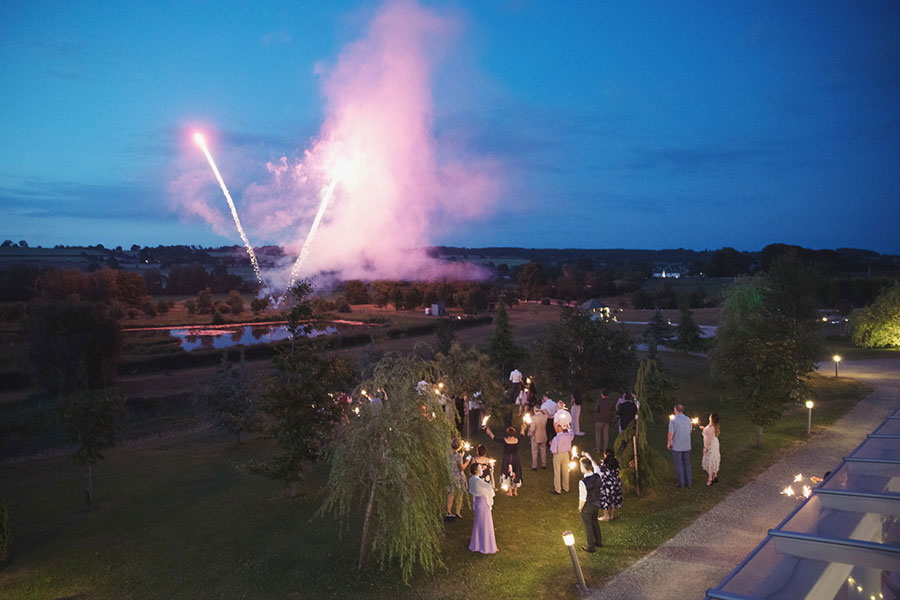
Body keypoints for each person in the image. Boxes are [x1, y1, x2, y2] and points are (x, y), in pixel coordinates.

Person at [486, 424, 526, 496]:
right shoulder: (517, 440)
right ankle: (515, 491)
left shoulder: (505, 440)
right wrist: (523, 428)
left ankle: (510, 492)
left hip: (507, 459)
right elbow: (522, 435)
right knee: (516, 472)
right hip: (515, 458)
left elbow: (495, 438)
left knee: (508, 473)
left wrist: (489, 432)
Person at [468, 463, 497, 554]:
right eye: (480, 468)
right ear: (476, 470)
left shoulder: (472, 479)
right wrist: (492, 473)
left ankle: (477, 544)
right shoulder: (477, 480)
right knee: (485, 524)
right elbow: (490, 487)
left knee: (478, 524)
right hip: (483, 504)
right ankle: (486, 546)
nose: (482, 470)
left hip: (477, 503)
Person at [577, 453, 603, 552]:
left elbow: (582, 498)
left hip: (588, 506)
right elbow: (596, 465)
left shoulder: (583, 482)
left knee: (588, 525)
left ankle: (591, 546)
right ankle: (599, 541)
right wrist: (589, 457)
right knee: (595, 522)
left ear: (583, 467)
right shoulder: (597, 475)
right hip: (597, 504)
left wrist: (580, 508)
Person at [667, 404, 692, 488]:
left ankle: (681, 483)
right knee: (687, 463)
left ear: (675, 409)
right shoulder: (688, 419)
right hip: (687, 445)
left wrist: (669, 443)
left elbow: (671, 433)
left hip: (677, 446)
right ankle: (689, 482)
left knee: (679, 464)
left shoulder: (673, 420)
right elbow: (690, 430)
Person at [447, 438, 471, 519]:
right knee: (460, 494)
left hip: (451, 476)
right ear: (458, 447)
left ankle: (449, 511)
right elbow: (462, 468)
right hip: (458, 477)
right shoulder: (458, 456)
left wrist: (461, 456)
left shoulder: (448, 454)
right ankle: (457, 512)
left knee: (451, 494)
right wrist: (467, 461)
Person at [550, 422, 575, 494]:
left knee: (557, 472)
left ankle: (558, 489)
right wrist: (568, 427)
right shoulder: (568, 435)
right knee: (565, 471)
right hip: (566, 455)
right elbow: (572, 433)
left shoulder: (556, 438)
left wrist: (551, 445)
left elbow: (553, 450)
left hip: (558, 455)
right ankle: (566, 488)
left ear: (557, 429)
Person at [598, 449, 623, 521]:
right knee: (613, 499)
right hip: (615, 483)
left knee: (606, 499)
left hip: (607, 484)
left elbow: (602, 474)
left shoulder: (604, 464)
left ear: (606, 454)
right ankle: (611, 515)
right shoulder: (616, 463)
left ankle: (606, 516)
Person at [701, 413, 721, 486]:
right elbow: (709, 433)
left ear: (712, 418)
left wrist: (705, 448)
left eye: (710, 416)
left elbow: (709, 438)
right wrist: (704, 429)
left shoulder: (711, 427)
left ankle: (710, 479)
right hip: (715, 443)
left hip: (711, 445)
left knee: (711, 459)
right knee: (714, 458)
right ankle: (715, 476)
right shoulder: (712, 426)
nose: (709, 416)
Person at [594, 388, 615, 453]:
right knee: (606, 434)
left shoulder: (599, 401)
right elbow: (612, 410)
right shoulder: (610, 402)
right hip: (607, 420)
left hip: (600, 419)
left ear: (602, 394)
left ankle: (598, 448)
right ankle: (605, 449)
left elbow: (596, 409)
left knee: (598, 433)